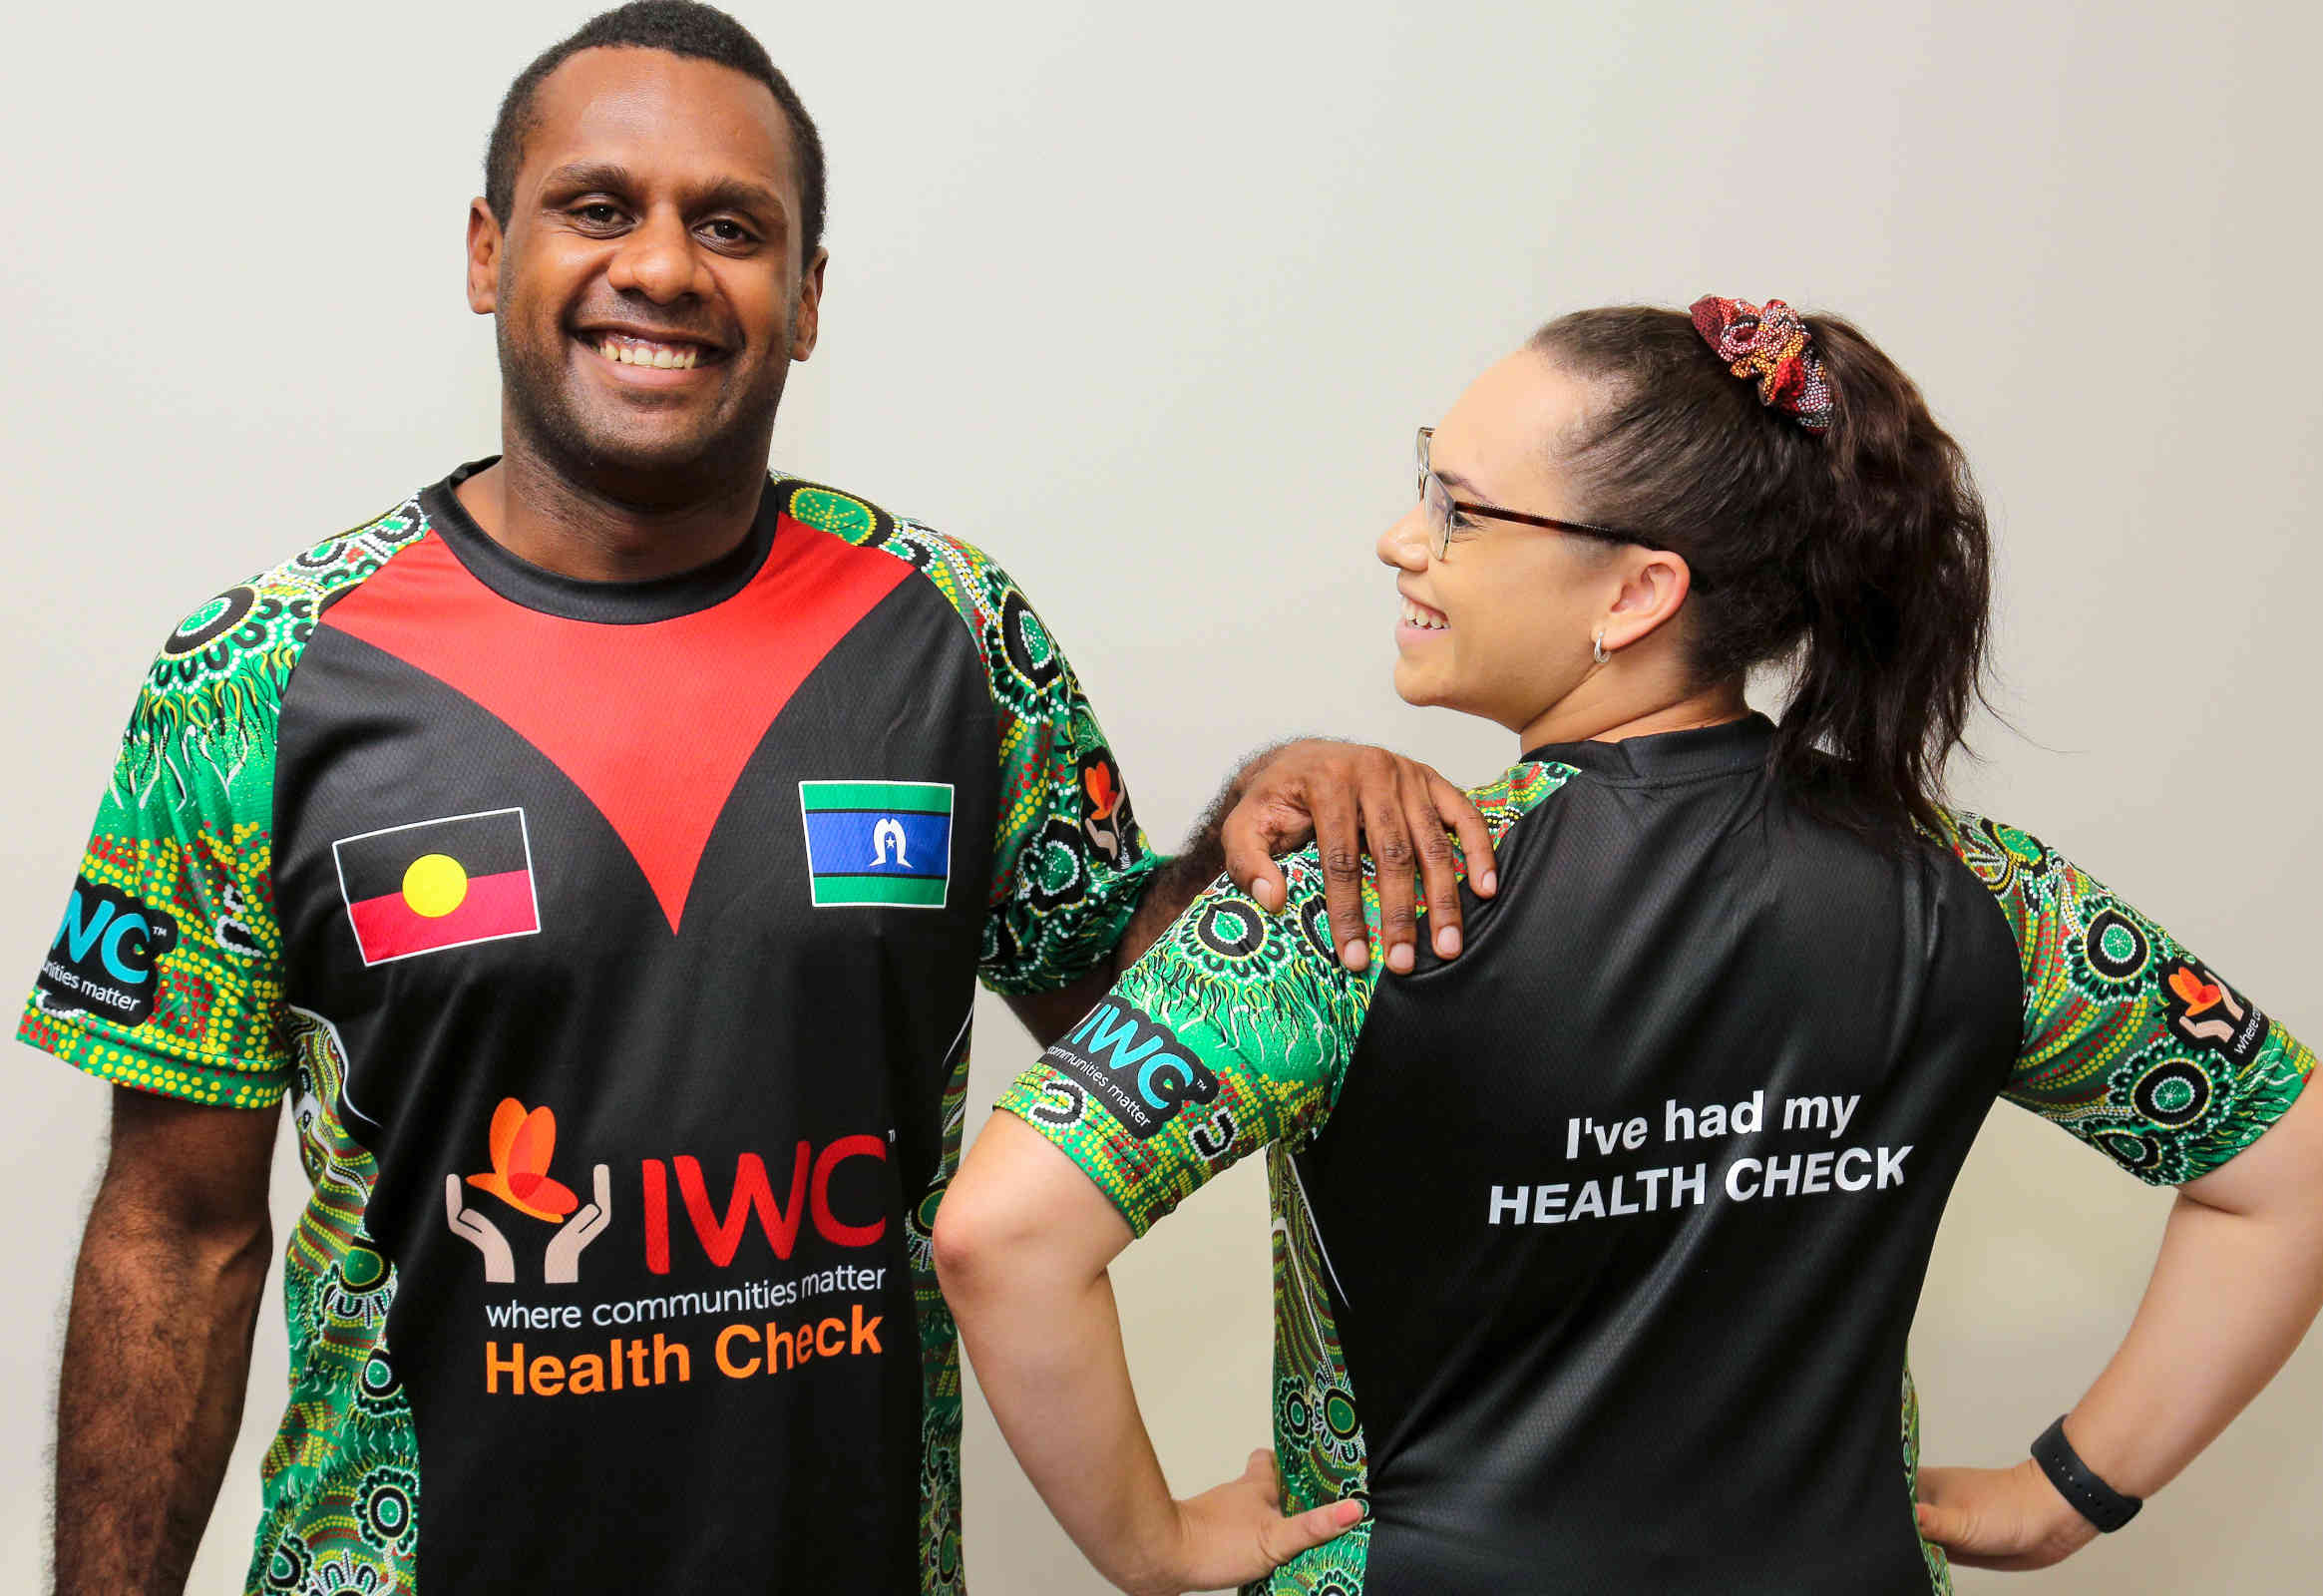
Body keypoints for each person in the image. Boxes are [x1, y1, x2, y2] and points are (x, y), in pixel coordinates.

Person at [20, 6, 1506, 1593]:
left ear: (804, 300)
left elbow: (1119, 1005)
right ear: (487, 252)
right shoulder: (256, 678)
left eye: (731, 228)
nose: (663, 267)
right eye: (599, 207)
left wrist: (1271, 814)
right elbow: (175, 1233)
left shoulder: (951, 633)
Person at [934, 297, 2323, 1594]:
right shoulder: (1981, 895)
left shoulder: (1363, 911)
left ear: (1638, 592)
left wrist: (1151, 1550)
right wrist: (2072, 1491)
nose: (1404, 539)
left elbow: (1005, 1232)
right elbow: (2314, 1163)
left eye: (1461, 511)